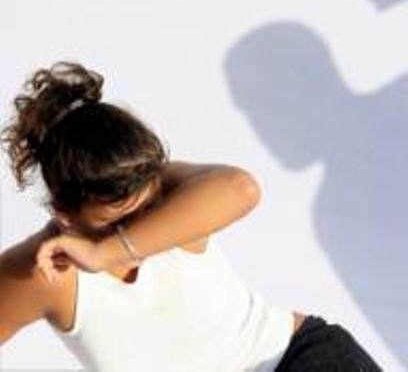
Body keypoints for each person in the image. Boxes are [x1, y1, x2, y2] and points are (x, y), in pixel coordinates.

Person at [0, 61, 383, 371]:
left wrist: (107, 251)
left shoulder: (175, 199)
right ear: (64, 213)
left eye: (148, 205)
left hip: (295, 360)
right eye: (116, 220)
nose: (141, 225)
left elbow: (242, 189)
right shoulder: (45, 274)